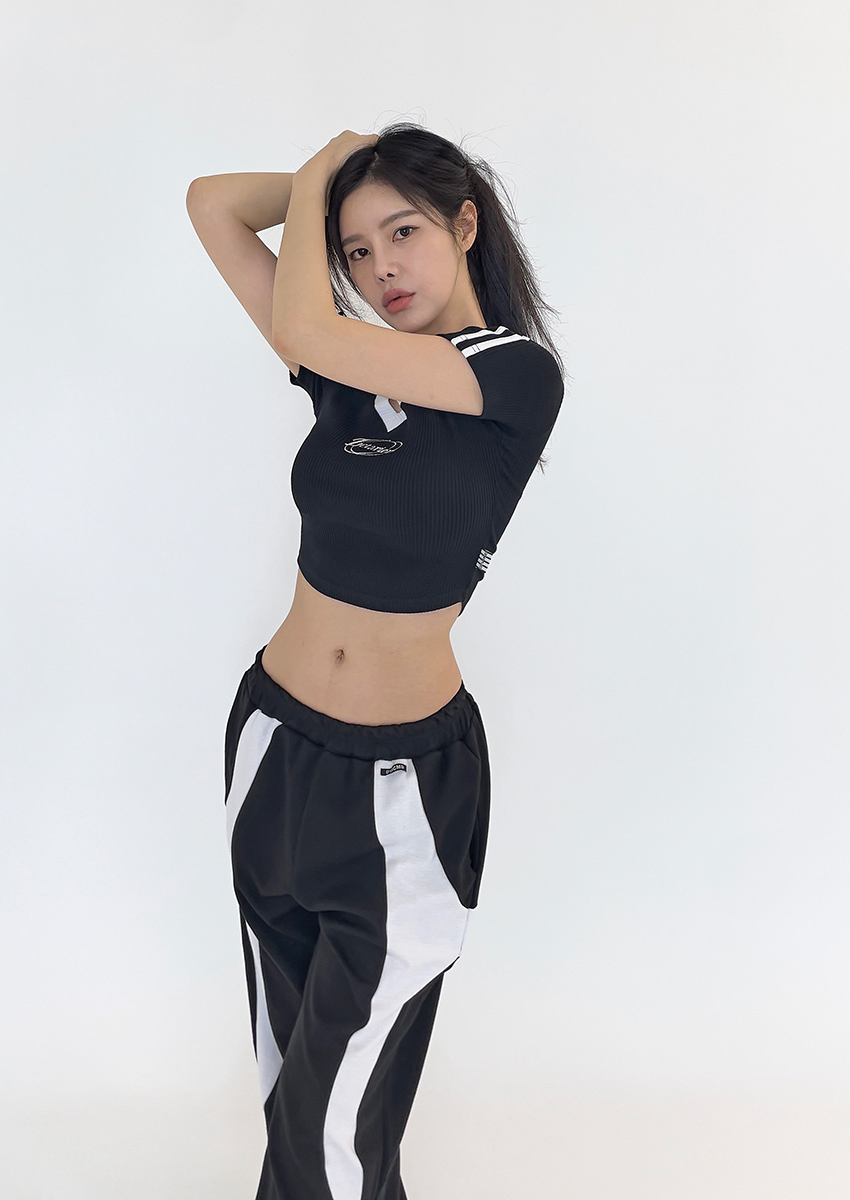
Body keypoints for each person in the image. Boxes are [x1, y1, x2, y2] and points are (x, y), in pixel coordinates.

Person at [186, 120, 565, 1200]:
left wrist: (326, 186)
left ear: (465, 224)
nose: (379, 266)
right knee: (291, 1085)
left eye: (404, 232)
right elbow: (212, 203)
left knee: (334, 1123)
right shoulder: (345, 369)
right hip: (274, 744)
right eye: (356, 249)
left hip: (403, 788)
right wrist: (329, 177)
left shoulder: (513, 372)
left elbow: (304, 320)